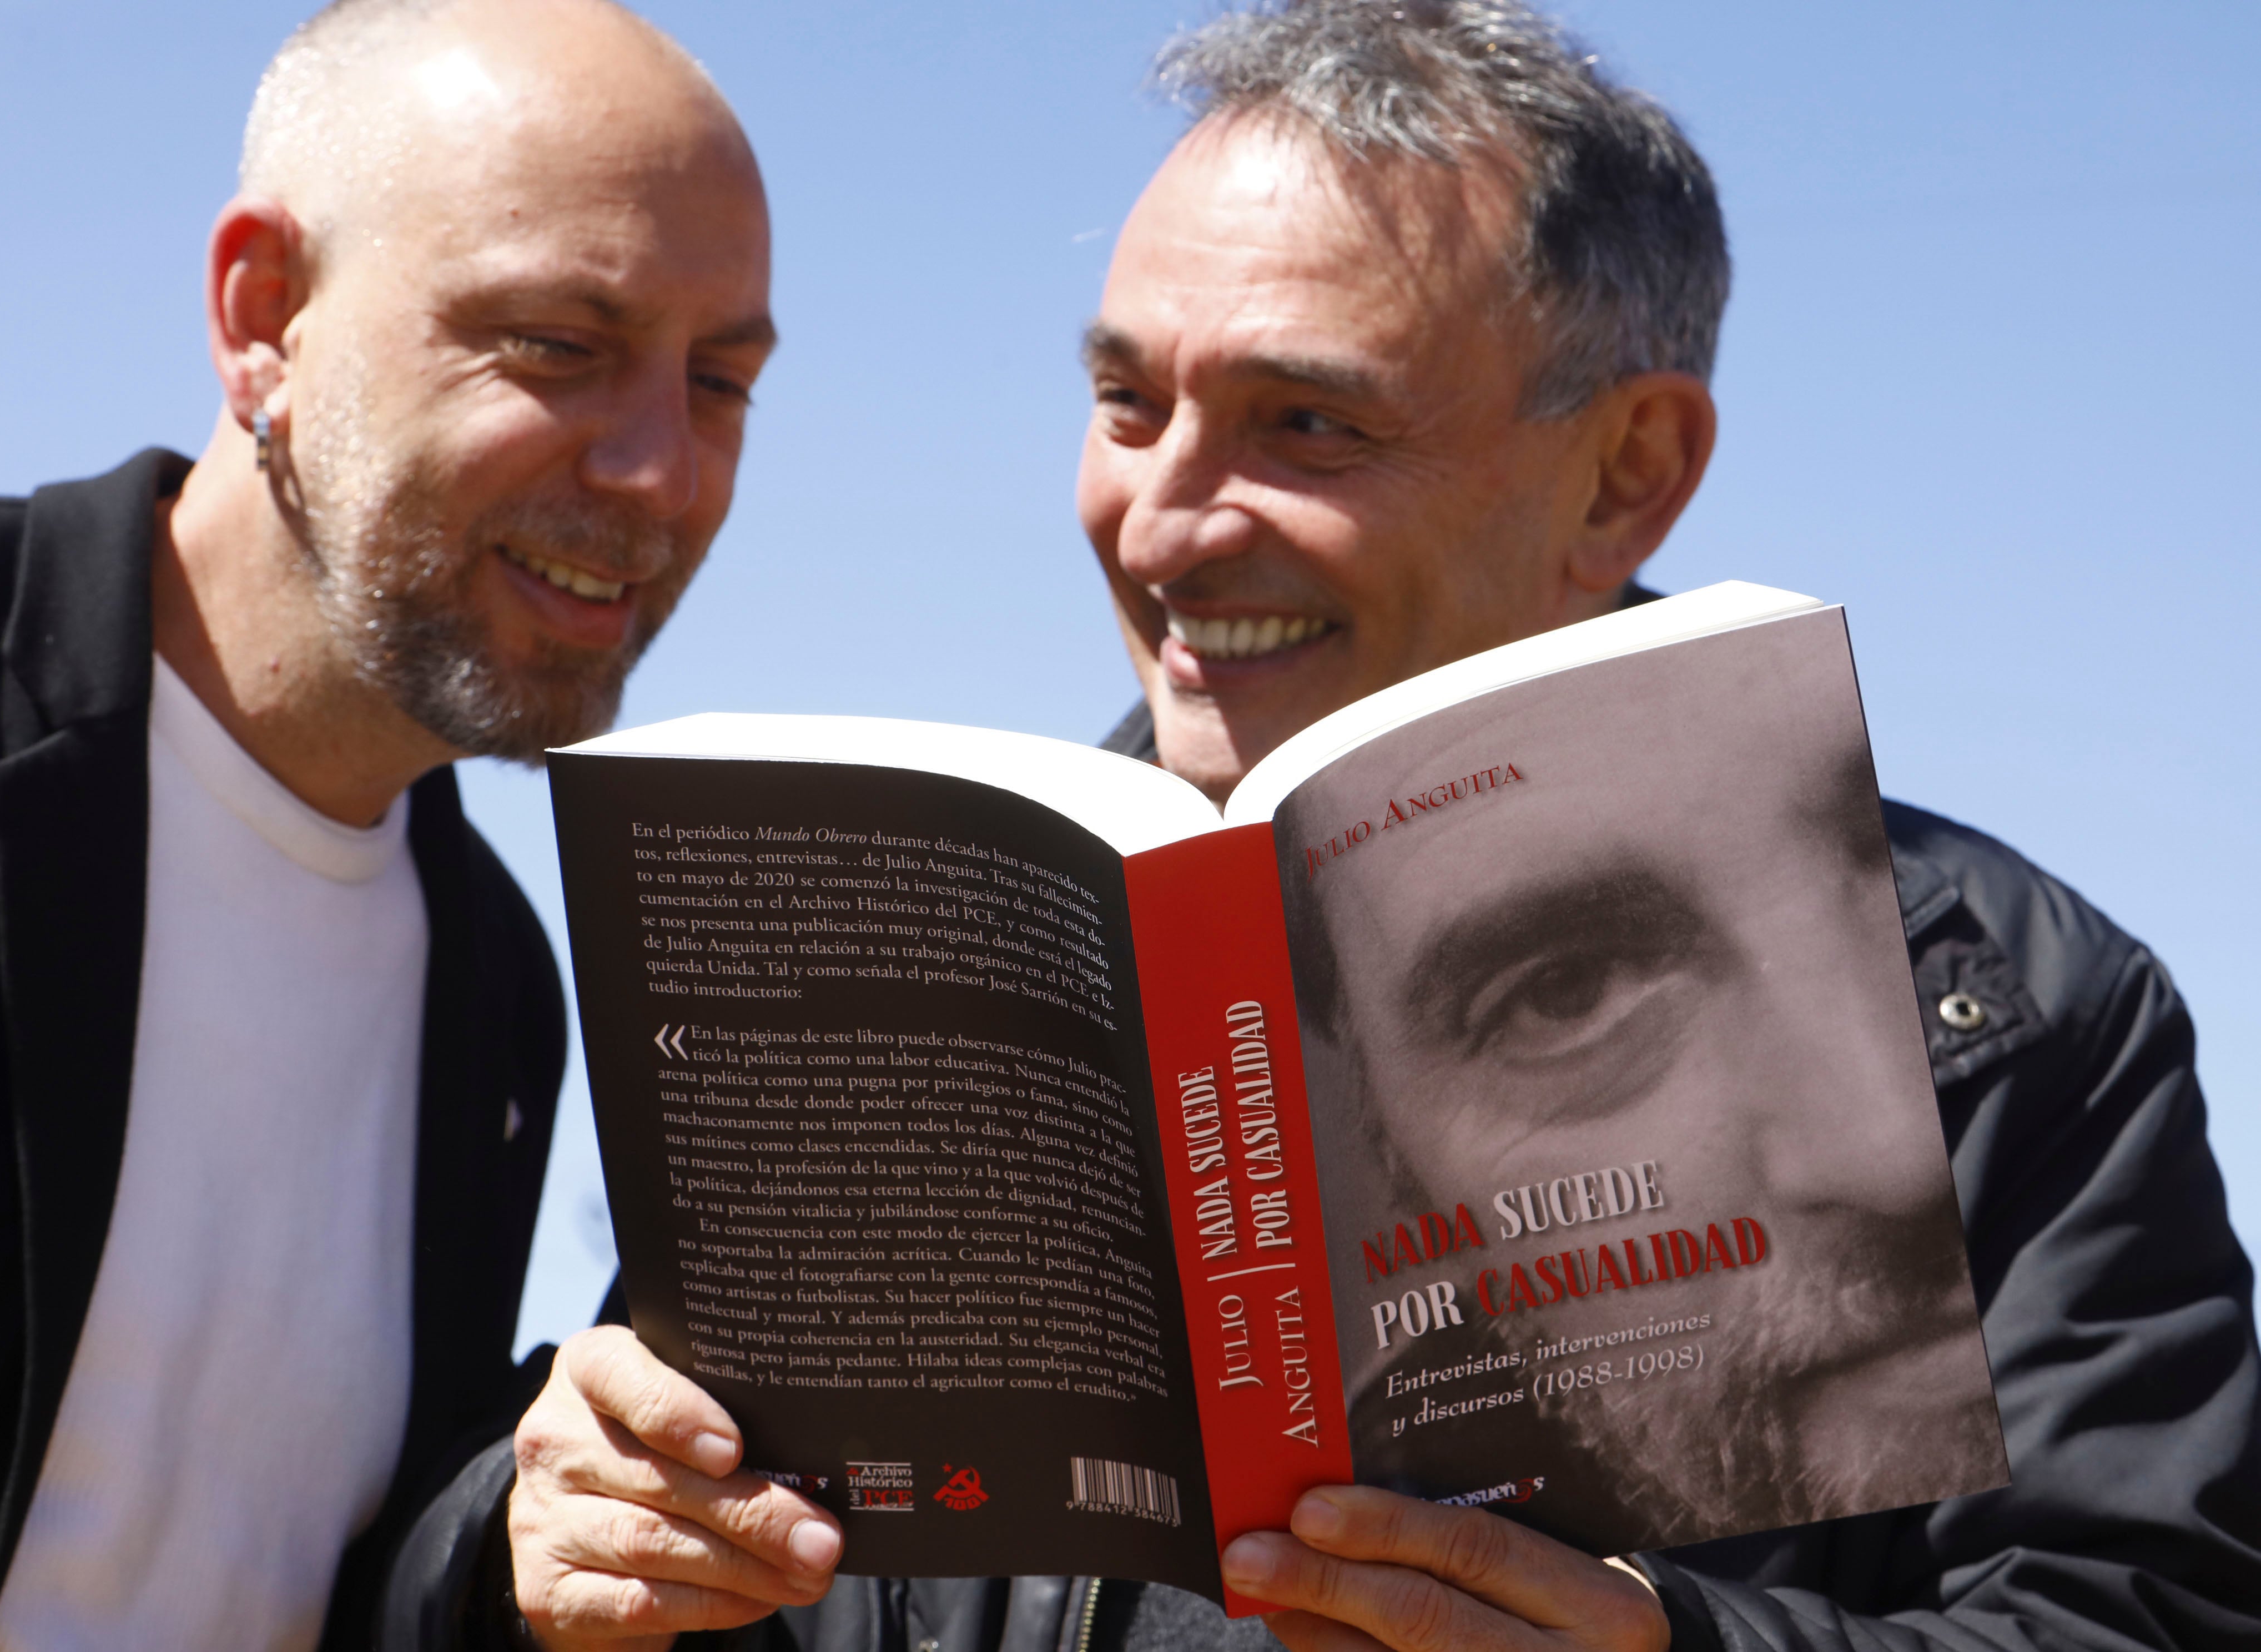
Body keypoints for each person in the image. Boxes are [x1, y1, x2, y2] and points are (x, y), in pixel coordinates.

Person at [502, 3, 2259, 1652]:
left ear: (1628, 468)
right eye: (1128, 403)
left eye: (1308, 424)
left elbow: (2146, 1610)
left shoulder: (2002, 1019)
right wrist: (547, 1556)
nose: (1165, 523)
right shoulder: (935, 982)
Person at [0, 0, 783, 1647]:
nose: (661, 473)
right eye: (556, 343)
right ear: (265, 317)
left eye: (723, 380)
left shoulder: (501, 988)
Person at [1275, 612, 2004, 1544]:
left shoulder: (2082, 1012)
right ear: (1394, 1166)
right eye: (1568, 993)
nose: (1901, 1152)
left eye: (1891, 881)